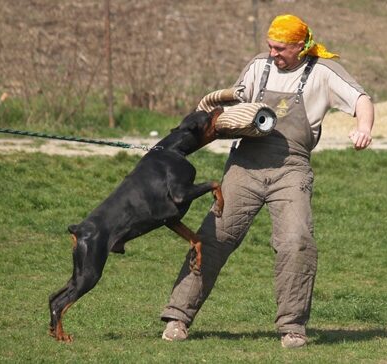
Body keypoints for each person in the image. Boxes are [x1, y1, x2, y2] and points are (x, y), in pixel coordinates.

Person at [160, 14, 374, 348]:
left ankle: (292, 329)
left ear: (301, 47)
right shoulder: (258, 66)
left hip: (292, 170)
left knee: (296, 243)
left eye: (281, 48)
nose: (273, 53)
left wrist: (364, 128)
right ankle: (177, 319)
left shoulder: (323, 71)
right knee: (212, 239)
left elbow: (362, 99)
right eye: (270, 46)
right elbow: (236, 102)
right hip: (244, 166)